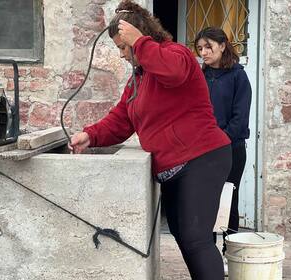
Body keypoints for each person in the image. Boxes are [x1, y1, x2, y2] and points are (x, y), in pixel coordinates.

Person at [70, 1, 231, 279]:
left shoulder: (175, 54)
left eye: (123, 47)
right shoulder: (138, 79)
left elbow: (174, 72)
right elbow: (122, 119)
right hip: (175, 167)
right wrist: (90, 135)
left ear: (138, 37)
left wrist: (140, 43)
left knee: (196, 238)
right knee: (185, 238)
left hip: (202, 157)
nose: (121, 55)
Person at [194, 27, 252, 254]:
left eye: (208, 46)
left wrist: (219, 139)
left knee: (229, 197)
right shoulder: (200, 76)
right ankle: (208, 251)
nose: (204, 52)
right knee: (205, 199)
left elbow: (240, 118)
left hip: (231, 148)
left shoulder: (239, 75)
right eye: (200, 49)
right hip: (203, 149)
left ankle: (230, 250)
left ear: (222, 45)